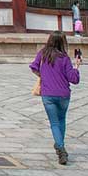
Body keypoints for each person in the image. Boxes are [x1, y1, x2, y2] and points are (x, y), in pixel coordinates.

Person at [29, 31, 81, 165]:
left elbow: (33, 67)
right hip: (64, 94)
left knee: (54, 122)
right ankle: (60, 146)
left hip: (48, 94)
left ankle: (60, 147)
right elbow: (74, 79)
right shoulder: (64, 58)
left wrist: (43, 76)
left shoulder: (43, 54)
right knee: (62, 119)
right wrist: (77, 66)